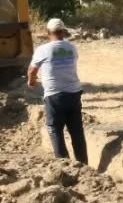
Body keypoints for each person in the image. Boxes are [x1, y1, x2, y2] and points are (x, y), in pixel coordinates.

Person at [27, 18, 87, 164]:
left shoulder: (43, 50)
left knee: (54, 129)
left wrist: (31, 81)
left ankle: (64, 163)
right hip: (74, 93)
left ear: (48, 32)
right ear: (63, 32)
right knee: (76, 131)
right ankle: (83, 164)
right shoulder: (72, 48)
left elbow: (32, 70)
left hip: (55, 95)